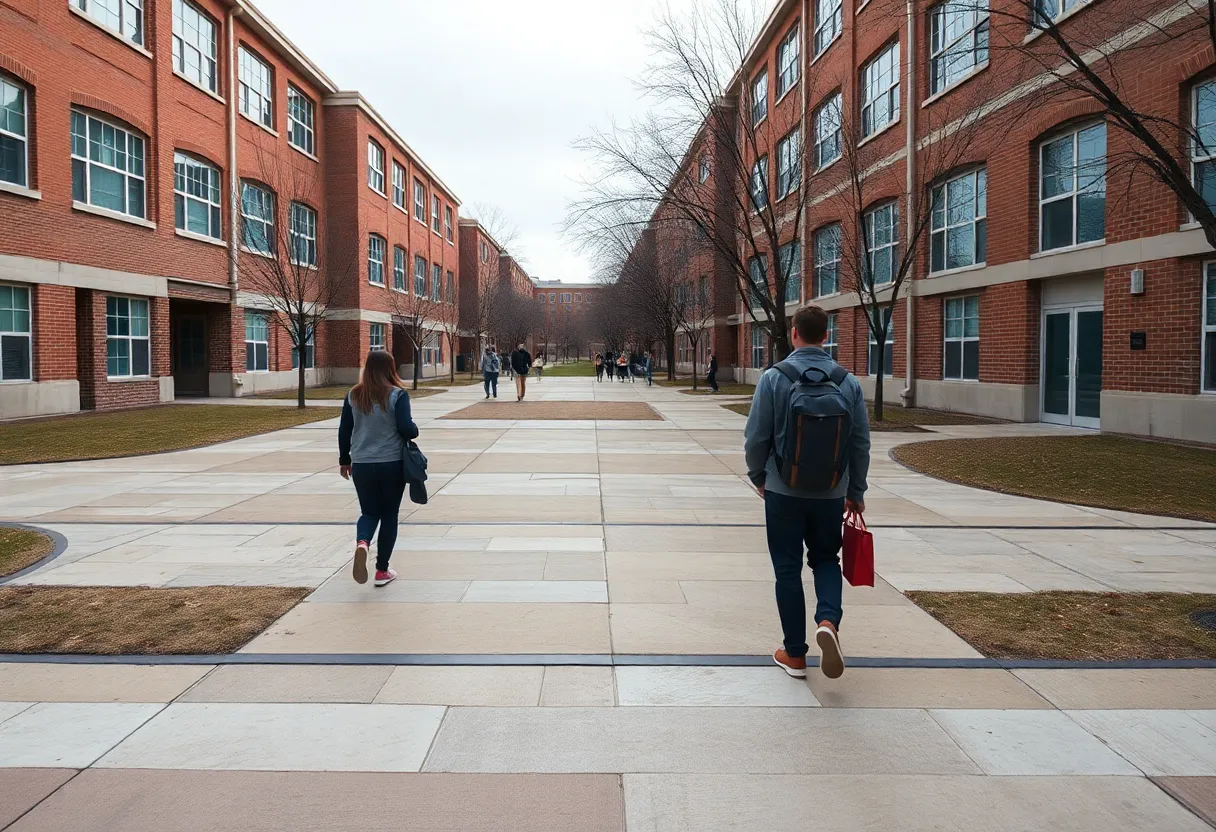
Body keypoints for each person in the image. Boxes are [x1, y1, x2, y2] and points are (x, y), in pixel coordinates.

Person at [743, 305, 871, 681]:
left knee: (787, 568)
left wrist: (758, 476)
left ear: (794, 333)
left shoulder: (773, 378)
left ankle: (795, 655)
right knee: (826, 559)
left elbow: (756, 436)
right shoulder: (848, 382)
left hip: (783, 488)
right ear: (825, 335)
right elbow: (861, 442)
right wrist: (856, 490)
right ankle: (828, 621)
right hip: (831, 491)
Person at [338, 350, 420, 588]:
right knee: (389, 515)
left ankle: (362, 542)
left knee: (369, 512)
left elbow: (345, 430)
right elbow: (407, 428)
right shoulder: (397, 395)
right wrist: (413, 429)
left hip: (362, 464)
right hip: (392, 463)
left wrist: (345, 460)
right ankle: (382, 570)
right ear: (390, 369)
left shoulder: (353, 395)